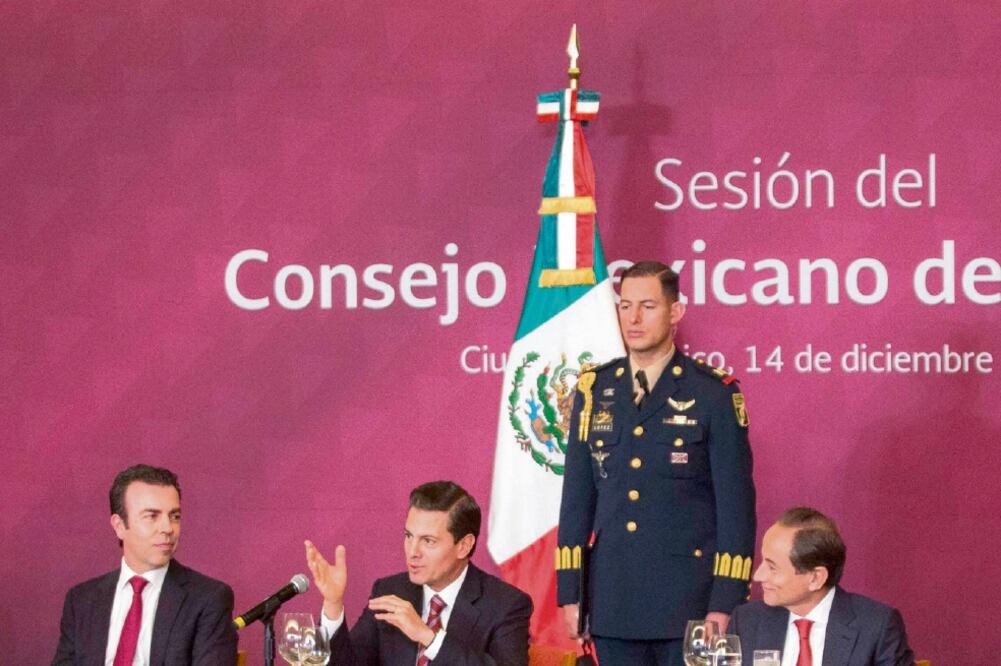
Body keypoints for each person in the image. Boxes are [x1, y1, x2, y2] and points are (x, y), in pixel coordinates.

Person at [557, 260, 756, 665]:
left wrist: (724, 600)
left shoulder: (713, 394)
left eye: (647, 306)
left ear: (675, 311)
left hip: (692, 606)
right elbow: (577, 501)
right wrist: (570, 592)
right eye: (625, 305)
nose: (633, 318)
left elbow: (736, 509)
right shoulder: (593, 390)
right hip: (614, 601)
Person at [305, 480, 532, 665]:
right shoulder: (390, 591)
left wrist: (428, 637)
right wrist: (333, 604)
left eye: (428, 541)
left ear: (463, 545)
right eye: (408, 536)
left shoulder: (506, 604)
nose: (413, 551)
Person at [52, 464, 237, 665]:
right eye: (152, 516)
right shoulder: (82, 600)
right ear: (119, 525)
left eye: (174, 516)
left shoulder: (208, 598)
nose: (167, 528)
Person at [731, 507, 914, 666]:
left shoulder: (876, 627)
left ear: (815, 578)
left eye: (772, 567)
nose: (758, 575)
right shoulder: (747, 621)